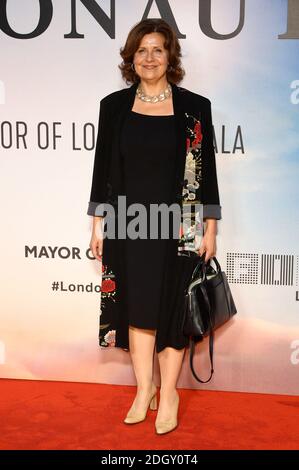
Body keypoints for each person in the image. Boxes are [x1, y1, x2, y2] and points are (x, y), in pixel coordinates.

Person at [88, 18, 221, 435]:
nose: (149, 58)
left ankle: (170, 393)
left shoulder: (195, 107)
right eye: (141, 50)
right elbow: (102, 171)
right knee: (138, 309)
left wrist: (211, 227)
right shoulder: (113, 106)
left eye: (157, 49)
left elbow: (208, 172)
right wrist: (97, 222)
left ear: (170, 57)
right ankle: (144, 390)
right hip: (129, 223)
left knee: (171, 310)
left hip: (179, 226)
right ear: (131, 57)